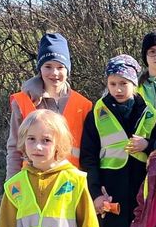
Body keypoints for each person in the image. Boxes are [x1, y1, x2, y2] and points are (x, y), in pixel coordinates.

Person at [79, 54, 156, 227]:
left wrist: (147, 146)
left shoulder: (149, 113)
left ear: (134, 84)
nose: (118, 89)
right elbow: (88, 158)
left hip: (140, 195)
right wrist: (96, 193)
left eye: (123, 84)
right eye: (112, 84)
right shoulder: (96, 114)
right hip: (110, 194)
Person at [6, 32, 92, 176]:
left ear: (68, 69)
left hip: (70, 184)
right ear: (40, 68)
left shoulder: (84, 105)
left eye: (60, 67)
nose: (54, 73)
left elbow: (89, 153)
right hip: (31, 181)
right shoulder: (22, 101)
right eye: (48, 66)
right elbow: (14, 148)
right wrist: (11, 185)